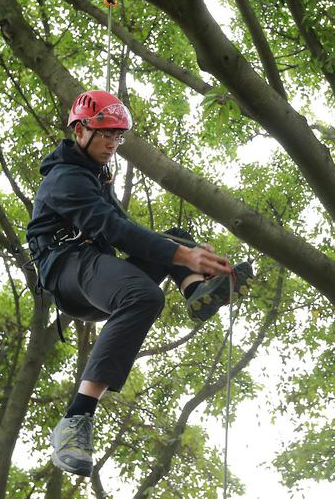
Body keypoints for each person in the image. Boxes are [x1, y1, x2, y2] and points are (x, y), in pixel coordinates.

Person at [26, 89, 253, 477]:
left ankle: (197, 289)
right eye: (105, 134)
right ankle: (76, 420)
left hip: (97, 273)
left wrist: (193, 253)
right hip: (68, 270)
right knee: (145, 293)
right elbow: (112, 228)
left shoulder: (97, 178)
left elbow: (130, 230)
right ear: (80, 131)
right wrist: (184, 256)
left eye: (118, 136)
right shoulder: (65, 179)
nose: (113, 143)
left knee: (175, 237)